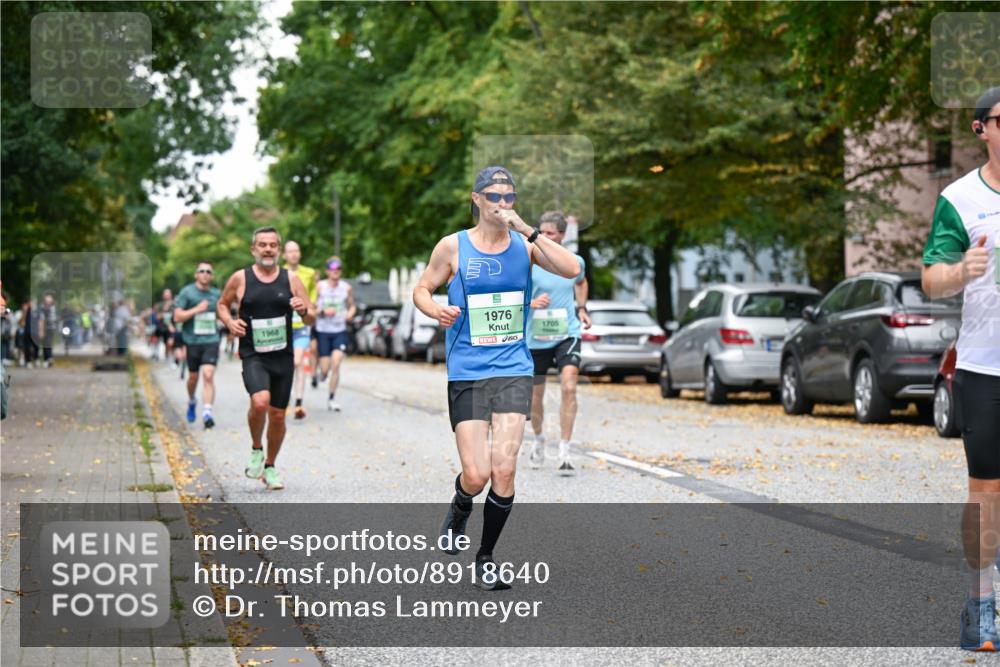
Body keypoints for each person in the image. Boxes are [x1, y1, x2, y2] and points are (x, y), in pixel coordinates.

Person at [413, 166, 580, 589]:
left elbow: (572, 269)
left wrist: (528, 230)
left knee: (504, 469)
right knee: (478, 473)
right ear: (476, 199)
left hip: (513, 370)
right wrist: (435, 310)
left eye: (510, 197)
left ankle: (486, 557)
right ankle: (461, 503)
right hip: (468, 371)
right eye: (495, 196)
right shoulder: (452, 247)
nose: (503, 204)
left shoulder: (525, 247)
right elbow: (421, 289)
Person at [921, 86, 1000, 652]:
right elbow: (931, 280)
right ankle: (981, 606)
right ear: (982, 130)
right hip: (986, 367)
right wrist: (963, 271)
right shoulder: (959, 199)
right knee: (986, 491)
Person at [218, 226, 315, 491]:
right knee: (260, 402)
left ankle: (270, 466)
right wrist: (229, 322)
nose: (268, 249)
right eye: (263, 244)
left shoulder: (291, 279)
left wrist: (304, 309)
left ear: (279, 251)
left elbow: (311, 316)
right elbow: (222, 304)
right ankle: (256, 448)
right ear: (254, 249)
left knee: (278, 416)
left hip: (282, 354)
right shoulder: (241, 278)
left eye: (273, 245)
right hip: (253, 354)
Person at [525, 210, 592, 475]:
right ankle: (539, 439)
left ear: (562, 235)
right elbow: (515, 290)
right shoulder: (530, 259)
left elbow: (581, 281)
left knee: (569, 386)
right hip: (536, 335)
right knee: (535, 396)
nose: (544, 237)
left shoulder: (574, 261)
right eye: (541, 232)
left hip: (567, 333)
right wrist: (530, 302)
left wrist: (582, 308)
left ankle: (565, 449)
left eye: (550, 233)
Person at [173, 262, 222, 429]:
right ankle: (192, 399)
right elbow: (177, 317)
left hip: (211, 340)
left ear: (212, 276)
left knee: (208, 375)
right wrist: (196, 310)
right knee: (193, 378)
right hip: (192, 341)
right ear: (196, 275)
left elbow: (223, 314)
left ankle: (207, 413)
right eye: (202, 271)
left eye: (209, 271)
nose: (205, 274)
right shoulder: (187, 292)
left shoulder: (216, 294)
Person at [314, 256, 356, 412]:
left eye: (338, 269)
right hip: (323, 331)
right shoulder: (320, 287)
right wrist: (324, 311)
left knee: (336, 363)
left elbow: (352, 306)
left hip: (339, 330)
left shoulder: (346, 288)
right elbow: (311, 309)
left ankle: (331, 398)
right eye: (332, 269)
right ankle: (321, 375)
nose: (335, 272)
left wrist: (350, 314)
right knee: (325, 370)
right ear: (327, 271)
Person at [282, 241, 318, 419]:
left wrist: (308, 309)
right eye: (290, 251)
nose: (294, 254)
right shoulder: (278, 273)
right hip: (282, 327)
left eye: (297, 250)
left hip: (301, 325)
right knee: (285, 364)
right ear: (284, 255)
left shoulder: (309, 273)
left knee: (297, 361)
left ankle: (298, 402)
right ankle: (283, 396)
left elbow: (313, 297)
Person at [154, 289, 176, 363]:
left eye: (168, 294)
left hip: (174, 327)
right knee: (166, 343)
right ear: (163, 295)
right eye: (165, 294)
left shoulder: (175, 304)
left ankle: (172, 359)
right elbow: (157, 317)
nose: (167, 295)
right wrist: (165, 310)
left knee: (171, 343)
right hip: (162, 327)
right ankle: (160, 355)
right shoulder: (159, 305)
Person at [39, 293, 58, 367]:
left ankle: (49, 358)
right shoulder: (42, 308)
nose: (49, 302)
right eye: (47, 300)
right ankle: (47, 359)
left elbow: (54, 318)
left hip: (51, 328)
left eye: (50, 300)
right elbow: (41, 319)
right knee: (45, 344)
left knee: (49, 343)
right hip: (44, 328)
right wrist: (41, 330)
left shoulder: (53, 308)